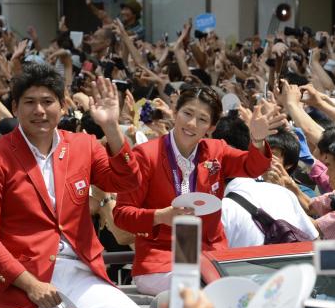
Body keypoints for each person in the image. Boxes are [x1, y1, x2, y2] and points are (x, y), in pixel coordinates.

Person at [0, 63, 146, 308]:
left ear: (62, 106)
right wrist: (30, 285)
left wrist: (111, 126)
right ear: (15, 107)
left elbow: (127, 181)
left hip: (81, 274)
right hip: (23, 282)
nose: (39, 110)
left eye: (48, 102)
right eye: (30, 102)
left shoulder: (83, 146)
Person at [114, 86, 279, 295]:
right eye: (187, 113)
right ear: (175, 112)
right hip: (162, 259)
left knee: (244, 291)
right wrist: (160, 216)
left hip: (209, 258)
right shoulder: (146, 155)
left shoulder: (217, 149)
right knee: (203, 289)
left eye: (202, 119)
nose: (192, 124)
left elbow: (253, 167)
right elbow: (121, 214)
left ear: (211, 126)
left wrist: (257, 140)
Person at [212, 115, 318, 247]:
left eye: (270, 155)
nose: (266, 161)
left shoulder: (223, 209)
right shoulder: (284, 194)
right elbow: (315, 242)